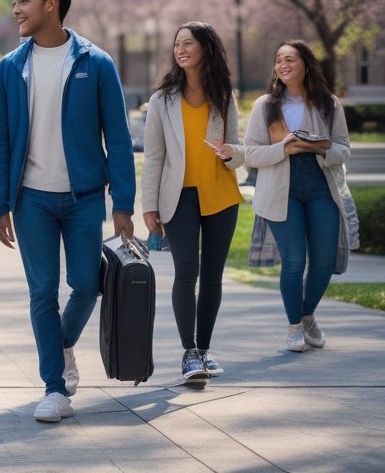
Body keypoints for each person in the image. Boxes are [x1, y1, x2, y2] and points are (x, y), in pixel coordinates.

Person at [0, 0, 136, 424]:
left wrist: (123, 203)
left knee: (87, 283)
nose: (16, 9)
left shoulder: (96, 62)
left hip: (85, 197)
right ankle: (54, 386)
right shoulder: (10, 68)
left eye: (23, 1)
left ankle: (61, 342)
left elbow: (120, 138)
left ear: (51, 4)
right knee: (41, 292)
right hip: (31, 199)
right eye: (14, 1)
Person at [141, 22, 244, 386]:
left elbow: (236, 147)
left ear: (206, 49)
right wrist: (148, 204)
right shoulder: (162, 99)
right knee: (187, 271)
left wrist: (232, 154)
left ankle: (204, 348)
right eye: (177, 44)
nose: (181, 49)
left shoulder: (224, 96)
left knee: (213, 276)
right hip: (178, 196)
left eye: (189, 43)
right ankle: (189, 353)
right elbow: (153, 155)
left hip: (221, 195)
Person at [243, 40, 352, 352]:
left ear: (306, 64)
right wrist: (285, 148)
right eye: (279, 59)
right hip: (281, 187)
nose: (283, 65)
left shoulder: (328, 103)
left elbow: (343, 147)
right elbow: (251, 153)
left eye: (290, 59)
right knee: (294, 260)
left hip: (320, 184)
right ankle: (294, 326)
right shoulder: (266, 106)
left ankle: (307, 316)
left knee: (324, 259)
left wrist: (320, 146)